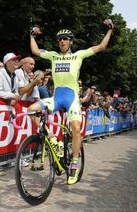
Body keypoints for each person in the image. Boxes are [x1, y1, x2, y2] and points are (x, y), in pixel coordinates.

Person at [29, 19, 115, 185]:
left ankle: (75, 162)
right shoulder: (53, 56)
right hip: (56, 97)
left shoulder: (78, 55)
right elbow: (35, 50)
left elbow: (100, 47)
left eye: (66, 38)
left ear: (71, 41)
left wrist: (110, 31)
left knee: (75, 128)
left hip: (72, 98)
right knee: (32, 110)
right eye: (60, 39)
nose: (62, 41)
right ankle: (53, 140)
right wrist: (32, 35)